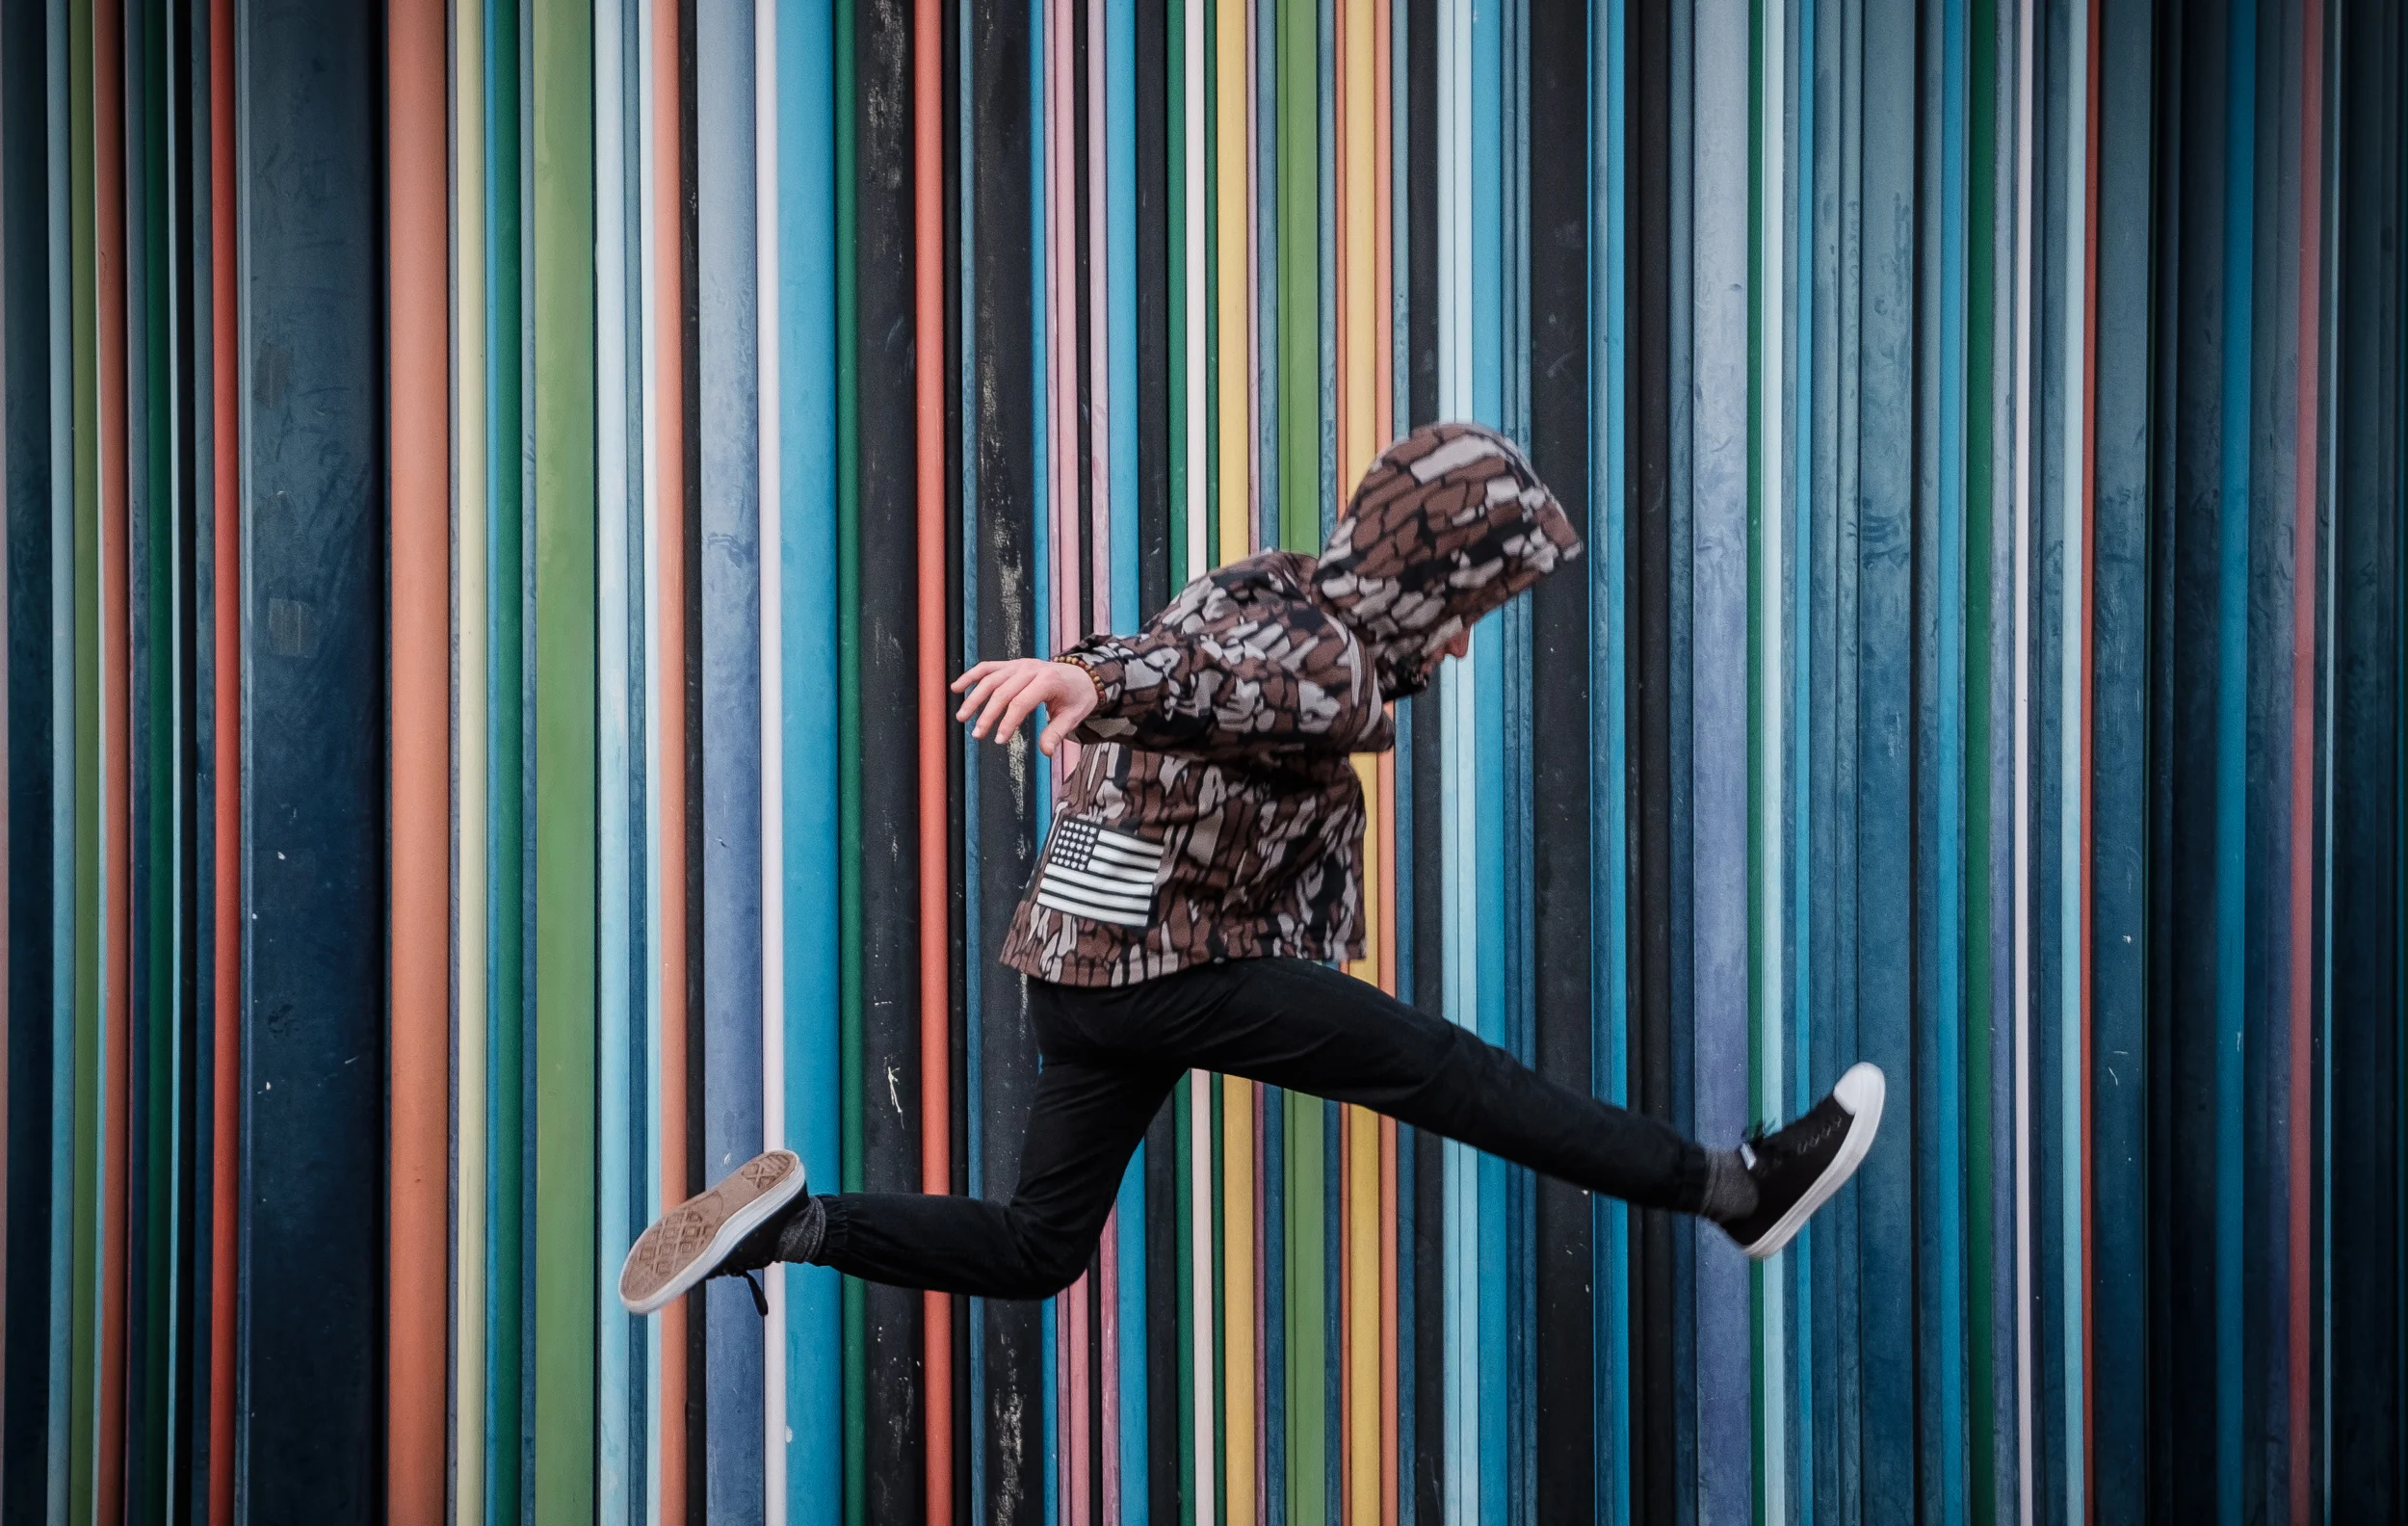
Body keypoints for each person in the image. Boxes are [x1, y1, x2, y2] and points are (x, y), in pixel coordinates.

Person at [618, 420, 1884, 1319]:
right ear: (1421, 575)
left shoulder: (1265, 586)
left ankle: (793, 1227)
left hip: (1078, 976)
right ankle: (1736, 1189)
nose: (1456, 643)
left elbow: (1207, 678)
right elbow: (1214, 685)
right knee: (1457, 1076)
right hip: (1171, 968)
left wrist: (1110, 686)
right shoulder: (1325, 661)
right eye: (1464, 607)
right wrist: (1093, 677)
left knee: (1038, 1247)